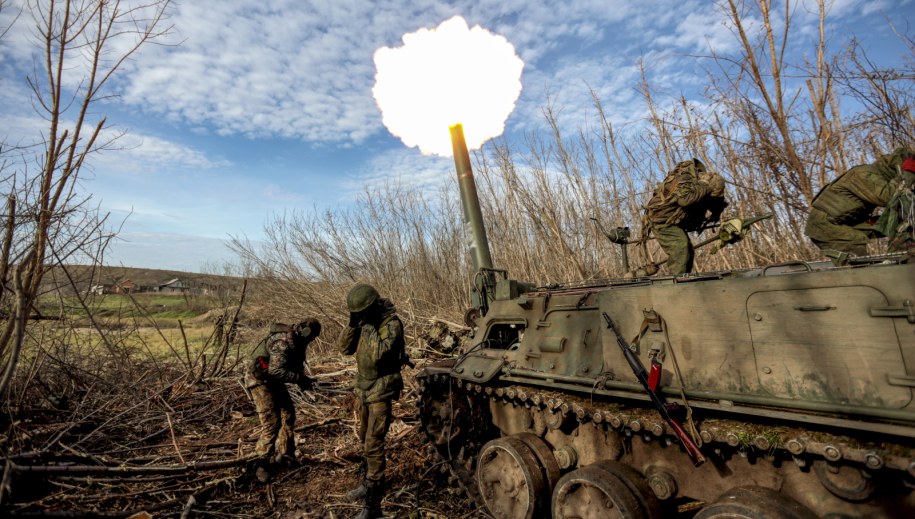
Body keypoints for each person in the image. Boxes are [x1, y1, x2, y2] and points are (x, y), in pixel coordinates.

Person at [337, 284, 407, 519]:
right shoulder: (365, 322)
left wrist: (367, 326)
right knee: (363, 437)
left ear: (373, 307)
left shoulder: (391, 324)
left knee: (373, 445)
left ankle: (373, 506)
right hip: (364, 389)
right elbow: (344, 348)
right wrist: (352, 324)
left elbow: (375, 358)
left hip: (381, 391)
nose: (361, 318)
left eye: (362, 313)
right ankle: (368, 484)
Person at [245, 319, 321, 481]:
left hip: (272, 380)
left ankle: (286, 454)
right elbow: (275, 370)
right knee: (271, 422)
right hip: (259, 381)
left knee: (288, 414)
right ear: (306, 333)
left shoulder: (297, 342)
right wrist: (299, 379)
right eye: (312, 337)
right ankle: (261, 462)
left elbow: (294, 365)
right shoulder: (283, 342)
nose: (312, 340)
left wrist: (304, 381)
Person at [806, 148, 915, 259]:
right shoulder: (863, 174)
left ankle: (902, 259)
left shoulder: (885, 178)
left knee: (903, 222)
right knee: (857, 256)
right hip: (825, 225)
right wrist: (908, 173)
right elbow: (888, 197)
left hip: (850, 222)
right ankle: (896, 265)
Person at [643, 158, 728, 275]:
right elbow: (684, 200)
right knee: (681, 246)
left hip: (672, 220)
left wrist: (722, 213)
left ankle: (684, 278)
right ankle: (677, 282)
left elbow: (713, 203)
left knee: (688, 250)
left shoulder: (700, 185)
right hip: (661, 220)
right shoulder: (685, 178)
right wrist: (706, 186)